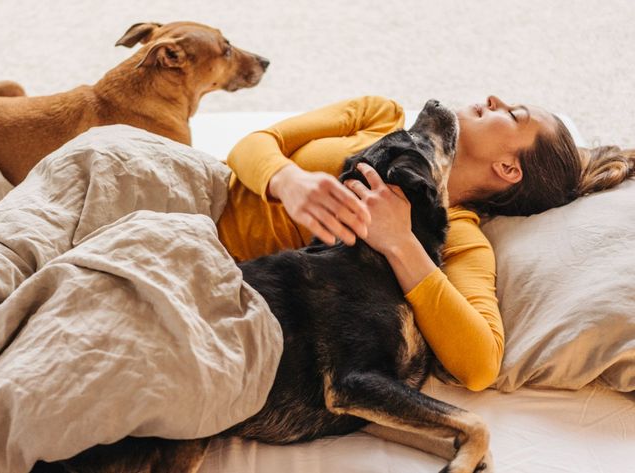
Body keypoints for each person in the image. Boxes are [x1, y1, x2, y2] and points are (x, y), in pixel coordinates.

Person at [216, 95, 635, 391]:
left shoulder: (458, 236)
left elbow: (480, 364)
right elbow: (254, 142)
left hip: (215, 276)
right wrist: (288, 181)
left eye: (512, 114)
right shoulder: (381, 116)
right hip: (199, 190)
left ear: (508, 168)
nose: (494, 98)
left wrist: (400, 242)